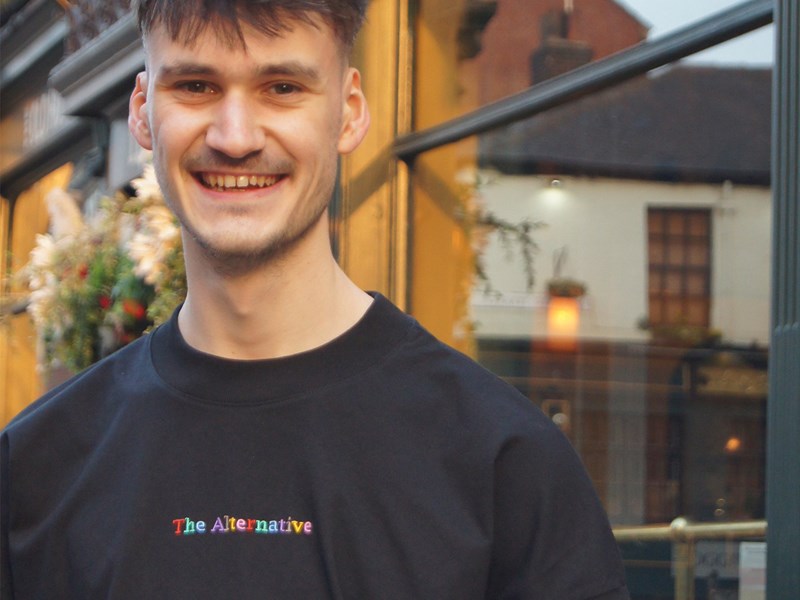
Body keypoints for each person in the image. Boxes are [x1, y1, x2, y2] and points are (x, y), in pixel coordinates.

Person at [0, 1, 629, 598]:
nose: (236, 137)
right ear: (143, 111)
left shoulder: (504, 464)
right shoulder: (32, 469)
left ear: (350, 112)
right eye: (195, 86)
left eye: (282, 88)